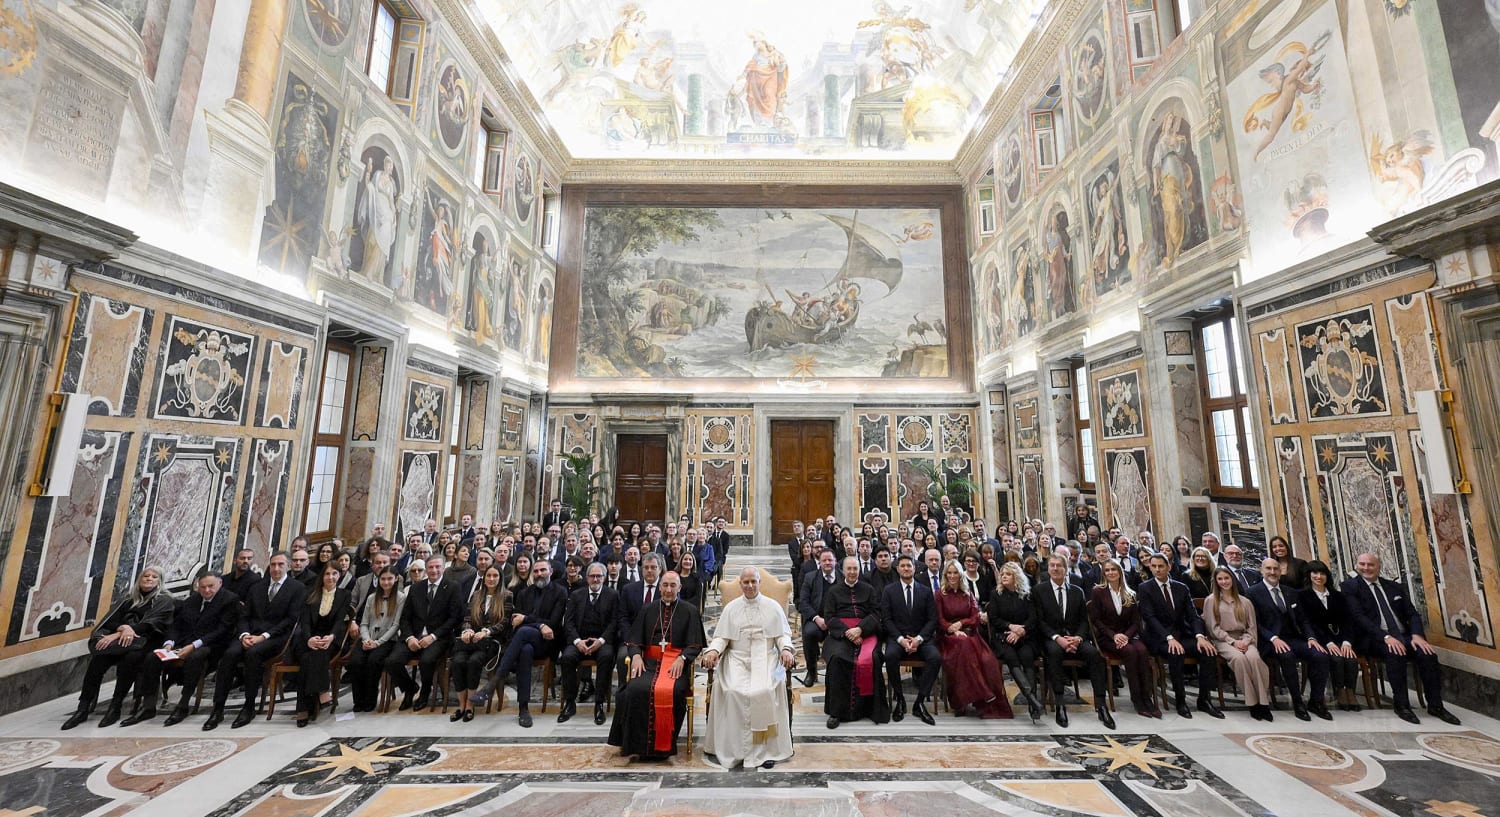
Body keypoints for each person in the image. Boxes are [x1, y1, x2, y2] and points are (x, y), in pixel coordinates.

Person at [1341, 552, 1460, 724]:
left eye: (1370, 564)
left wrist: (1417, 635)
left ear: (1378, 566)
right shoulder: (1350, 587)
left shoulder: (1394, 587)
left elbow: (1412, 614)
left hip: (1405, 635)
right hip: (1375, 639)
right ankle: (1402, 705)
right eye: (1362, 564)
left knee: (1428, 655)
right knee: (1394, 653)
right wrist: (1386, 637)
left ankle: (1436, 705)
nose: (1366, 568)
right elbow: (1359, 618)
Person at [701, 567, 796, 770]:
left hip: (767, 658)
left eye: (754, 581)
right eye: (746, 582)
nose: (750, 586)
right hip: (736, 659)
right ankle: (734, 749)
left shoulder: (773, 607)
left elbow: (782, 635)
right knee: (733, 691)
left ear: (759, 583)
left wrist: (786, 649)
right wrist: (713, 651)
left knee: (764, 690)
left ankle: (766, 750)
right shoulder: (731, 608)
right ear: (740, 585)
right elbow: (722, 637)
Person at [610, 571, 706, 761]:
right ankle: (634, 745)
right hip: (648, 664)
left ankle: (663, 748)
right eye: (665, 585)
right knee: (632, 690)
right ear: (660, 587)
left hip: (675, 665)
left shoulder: (689, 611)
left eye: (673, 586)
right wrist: (636, 655)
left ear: (680, 588)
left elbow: (695, 644)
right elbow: (635, 639)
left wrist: (683, 658)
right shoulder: (648, 609)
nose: (668, 590)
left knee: (675, 691)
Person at [63, 567, 174, 730]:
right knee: (98, 660)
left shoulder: (164, 600)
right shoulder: (128, 599)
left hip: (146, 642)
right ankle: (83, 707)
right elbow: (110, 622)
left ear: (160, 581)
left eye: (154, 577)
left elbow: (151, 625)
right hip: (121, 642)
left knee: (130, 660)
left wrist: (120, 633)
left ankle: (115, 705)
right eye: (146, 576)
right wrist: (122, 629)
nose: (149, 579)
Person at [207, 553, 308, 730]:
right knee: (229, 654)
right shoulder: (257, 587)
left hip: (276, 638)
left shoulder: (297, 588)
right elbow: (244, 616)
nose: (276, 569)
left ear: (288, 566)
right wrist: (244, 634)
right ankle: (218, 708)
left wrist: (264, 636)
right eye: (273, 564)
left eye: (281, 565)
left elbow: (291, 620)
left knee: (253, 654)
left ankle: (249, 706)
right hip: (250, 634)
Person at [472, 559, 567, 726]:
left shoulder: (560, 592)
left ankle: (493, 683)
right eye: (536, 571)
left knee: (524, 631)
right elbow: (516, 620)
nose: (539, 574)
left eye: (543, 570)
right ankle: (523, 708)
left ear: (551, 571)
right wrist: (539, 624)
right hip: (527, 642)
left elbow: (554, 623)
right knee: (525, 650)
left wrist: (530, 620)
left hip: (549, 642)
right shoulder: (525, 593)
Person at [146, 573, 240, 727]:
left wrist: (194, 645)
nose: (207, 591)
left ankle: (183, 704)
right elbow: (176, 625)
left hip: (213, 645)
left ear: (220, 584)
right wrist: (169, 643)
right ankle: (148, 705)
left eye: (211, 586)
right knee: (152, 657)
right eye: (203, 587)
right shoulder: (192, 600)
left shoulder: (230, 600)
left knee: (195, 657)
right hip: (185, 642)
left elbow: (222, 630)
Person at [1034, 554, 1115, 730]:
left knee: (1094, 655)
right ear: (1048, 569)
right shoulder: (1039, 590)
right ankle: (1060, 704)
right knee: (1054, 653)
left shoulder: (1077, 591)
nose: (1055, 569)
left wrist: (1078, 637)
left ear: (1065, 569)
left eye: (1059, 566)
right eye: (1052, 566)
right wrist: (1058, 638)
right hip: (1052, 638)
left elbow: (1084, 620)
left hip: (1075, 638)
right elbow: (1039, 621)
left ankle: (1101, 705)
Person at [1138, 553, 1223, 719]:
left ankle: (1204, 699)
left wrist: (1199, 636)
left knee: (1207, 651)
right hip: (1159, 637)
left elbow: (1193, 615)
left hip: (1182, 634)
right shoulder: (1145, 588)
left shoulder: (1181, 588)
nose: (1157, 569)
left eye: (1160, 566)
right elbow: (1150, 618)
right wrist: (1169, 638)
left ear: (1168, 566)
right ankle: (1180, 700)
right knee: (1175, 652)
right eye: (1153, 566)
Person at [1246, 557, 1330, 721]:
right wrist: (1273, 638)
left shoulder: (1290, 592)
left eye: (1275, 569)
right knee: (1287, 656)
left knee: (1320, 656)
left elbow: (1303, 619)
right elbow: (1255, 623)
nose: (1272, 572)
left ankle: (1316, 701)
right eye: (1268, 568)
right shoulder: (1252, 592)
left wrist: (1311, 637)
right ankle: (1298, 703)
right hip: (1269, 641)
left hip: (1293, 638)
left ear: (1280, 571)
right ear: (1261, 571)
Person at [385, 555, 462, 712]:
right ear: (426, 569)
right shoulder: (416, 588)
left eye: (437, 567)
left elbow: (454, 619)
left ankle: (425, 692)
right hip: (414, 635)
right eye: (431, 567)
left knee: (426, 661)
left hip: (439, 637)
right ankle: (409, 688)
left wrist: (433, 637)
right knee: (391, 661)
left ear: (443, 568)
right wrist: (409, 637)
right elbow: (405, 618)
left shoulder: (453, 587)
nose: (434, 570)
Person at [937, 561, 1012, 718]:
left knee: (987, 659)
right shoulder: (940, 594)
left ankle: (978, 698)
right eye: (949, 573)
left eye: (955, 572)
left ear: (960, 574)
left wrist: (961, 623)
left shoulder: (967, 593)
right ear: (945, 575)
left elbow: (975, 617)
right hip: (948, 637)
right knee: (964, 646)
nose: (952, 576)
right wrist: (953, 629)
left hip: (971, 634)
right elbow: (939, 619)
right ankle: (981, 692)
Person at [822, 556, 888, 728]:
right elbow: (829, 617)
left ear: (859, 570)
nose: (852, 572)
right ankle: (836, 712)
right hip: (840, 634)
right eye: (849, 569)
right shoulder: (833, 591)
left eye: (855, 569)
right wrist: (847, 632)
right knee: (837, 659)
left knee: (873, 658)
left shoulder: (869, 589)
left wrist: (860, 629)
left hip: (866, 632)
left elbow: (876, 613)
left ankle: (870, 709)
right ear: (842, 570)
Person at [1087, 559, 1158, 718]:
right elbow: (1096, 620)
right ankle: (1137, 699)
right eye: (1107, 570)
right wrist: (1114, 636)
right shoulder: (1098, 591)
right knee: (1131, 652)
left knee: (1142, 650)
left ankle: (1148, 698)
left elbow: (1135, 622)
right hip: (1107, 637)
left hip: (1128, 635)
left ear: (1119, 571)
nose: (1111, 573)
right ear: (1104, 574)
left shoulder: (1130, 593)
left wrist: (1125, 636)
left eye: (1114, 569)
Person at [1204, 567, 1273, 721]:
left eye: (1226, 578)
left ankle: (1263, 703)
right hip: (1223, 640)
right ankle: (1252, 703)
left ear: (1232, 580)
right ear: (1216, 581)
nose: (1224, 582)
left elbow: (1252, 627)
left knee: (1255, 659)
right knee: (1239, 659)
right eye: (1220, 579)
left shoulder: (1245, 601)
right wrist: (1232, 642)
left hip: (1245, 639)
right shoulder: (1211, 601)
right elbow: (1213, 628)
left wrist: (1245, 641)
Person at [880, 554, 941, 725]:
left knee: (935, 658)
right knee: (890, 656)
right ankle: (900, 699)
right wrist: (901, 640)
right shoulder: (889, 591)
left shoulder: (926, 591)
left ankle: (919, 702)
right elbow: (887, 619)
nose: (906, 568)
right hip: (897, 637)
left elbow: (932, 620)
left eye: (909, 566)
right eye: (903, 566)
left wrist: (918, 639)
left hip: (921, 637)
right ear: (898, 569)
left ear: (915, 568)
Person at [558, 562, 620, 725]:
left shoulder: (613, 595)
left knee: (607, 657)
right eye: (592, 576)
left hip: (601, 641)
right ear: (587, 578)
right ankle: (570, 703)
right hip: (580, 639)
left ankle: (599, 703)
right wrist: (578, 642)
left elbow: (614, 623)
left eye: (598, 576)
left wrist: (600, 641)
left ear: (604, 578)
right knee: (567, 657)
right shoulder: (577, 595)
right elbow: (568, 623)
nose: (595, 579)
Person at [293, 563, 352, 727]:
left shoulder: (344, 595)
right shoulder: (311, 593)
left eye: (334, 574)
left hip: (331, 638)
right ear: (322, 576)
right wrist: (309, 639)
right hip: (308, 637)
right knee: (307, 656)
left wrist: (331, 637)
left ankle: (303, 708)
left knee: (313, 656)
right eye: (327, 574)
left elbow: (340, 621)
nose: (331, 577)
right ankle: (322, 692)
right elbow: (304, 622)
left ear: (339, 576)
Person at [450, 566, 511, 722]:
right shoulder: (477, 595)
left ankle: (470, 705)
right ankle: (461, 705)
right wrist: (467, 631)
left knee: (473, 661)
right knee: (457, 662)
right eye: (488, 575)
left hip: (491, 642)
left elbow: (505, 622)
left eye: (495, 575)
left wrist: (487, 632)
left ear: (500, 578)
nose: (491, 578)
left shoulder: (507, 595)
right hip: (471, 641)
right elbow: (467, 619)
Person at [1300, 559, 1362, 711]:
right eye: (1315, 573)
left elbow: (1348, 621)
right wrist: (1328, 642)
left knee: (1351, 658)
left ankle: (1350, 691)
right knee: (1336, 658)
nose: (1319, 576)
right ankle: (1340, 691)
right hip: (1321, 639)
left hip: (1341, 637)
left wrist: (1347, 642)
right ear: (1309, 575)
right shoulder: (1303, 596)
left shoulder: (1337, 596)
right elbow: (1311, 623)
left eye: (1322, 573)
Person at [989, 562, 1044, 721]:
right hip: (1003, 637)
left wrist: (1022, 631)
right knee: (1011, 657)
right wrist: (1010, 627)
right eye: (1002, 574)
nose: (1003, 577)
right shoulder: (996, 594)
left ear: (1016, 577)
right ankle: (1033, 700)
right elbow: (994, 619)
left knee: (1027, 656)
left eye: (1008, 574)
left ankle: (1032, 703)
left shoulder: (1027, 594)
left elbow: (1033, 618)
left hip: (1025, 636)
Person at [347, 569, 405, 712]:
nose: (386, 582)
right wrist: (366, 639)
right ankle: (358, 700)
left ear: (396, 579)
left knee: (373, 660)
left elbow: (396, 625)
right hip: (368, 638)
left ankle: (370, 699)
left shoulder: (400, 597)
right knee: (355, 661)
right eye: (383, 579)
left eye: (389, 579)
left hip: (387, 640)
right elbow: (364, 623)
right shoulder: (372, 598)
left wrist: (378, 643)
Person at [797, 549, 837, 687]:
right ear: (819, 562)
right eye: (824, 560)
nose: (827, 563)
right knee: (809, 633)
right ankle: (811, 670)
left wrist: (833, 622)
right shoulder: (810, 577)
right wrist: (817, 618)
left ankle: (838, 673)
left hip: (837, 621)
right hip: (817, 619)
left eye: (830, 560)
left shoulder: (842, 577)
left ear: (835, 562)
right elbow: (803, 602)